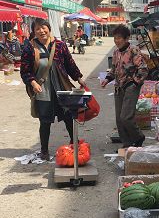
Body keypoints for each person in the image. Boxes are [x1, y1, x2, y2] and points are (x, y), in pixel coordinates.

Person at [20, 18, 85, 161]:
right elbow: (25, 70)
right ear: (34, 32)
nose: (41, 31)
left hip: (62, 88)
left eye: (44, 27)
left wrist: (79, 78)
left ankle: (75, 144)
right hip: (43, 91)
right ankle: (44, 150)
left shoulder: (60, 45)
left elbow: (69, 63)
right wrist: (32, 82)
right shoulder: (30, 48)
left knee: (69, 116)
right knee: (45, 121)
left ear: (49, 28)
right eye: (37, 29)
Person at [101, 24, 148, 148]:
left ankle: (138, 136)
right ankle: (127, 143)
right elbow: (113, 70)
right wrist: (107, 79)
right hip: (118, 88)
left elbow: (143, 69)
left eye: (119, 38)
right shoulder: (116, 52)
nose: (116, 41)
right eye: (115, 38)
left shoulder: (133, 50)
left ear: (126, 38)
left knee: (126, 117)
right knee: (119, 119)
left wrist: (135, 83)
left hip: (131, 87)